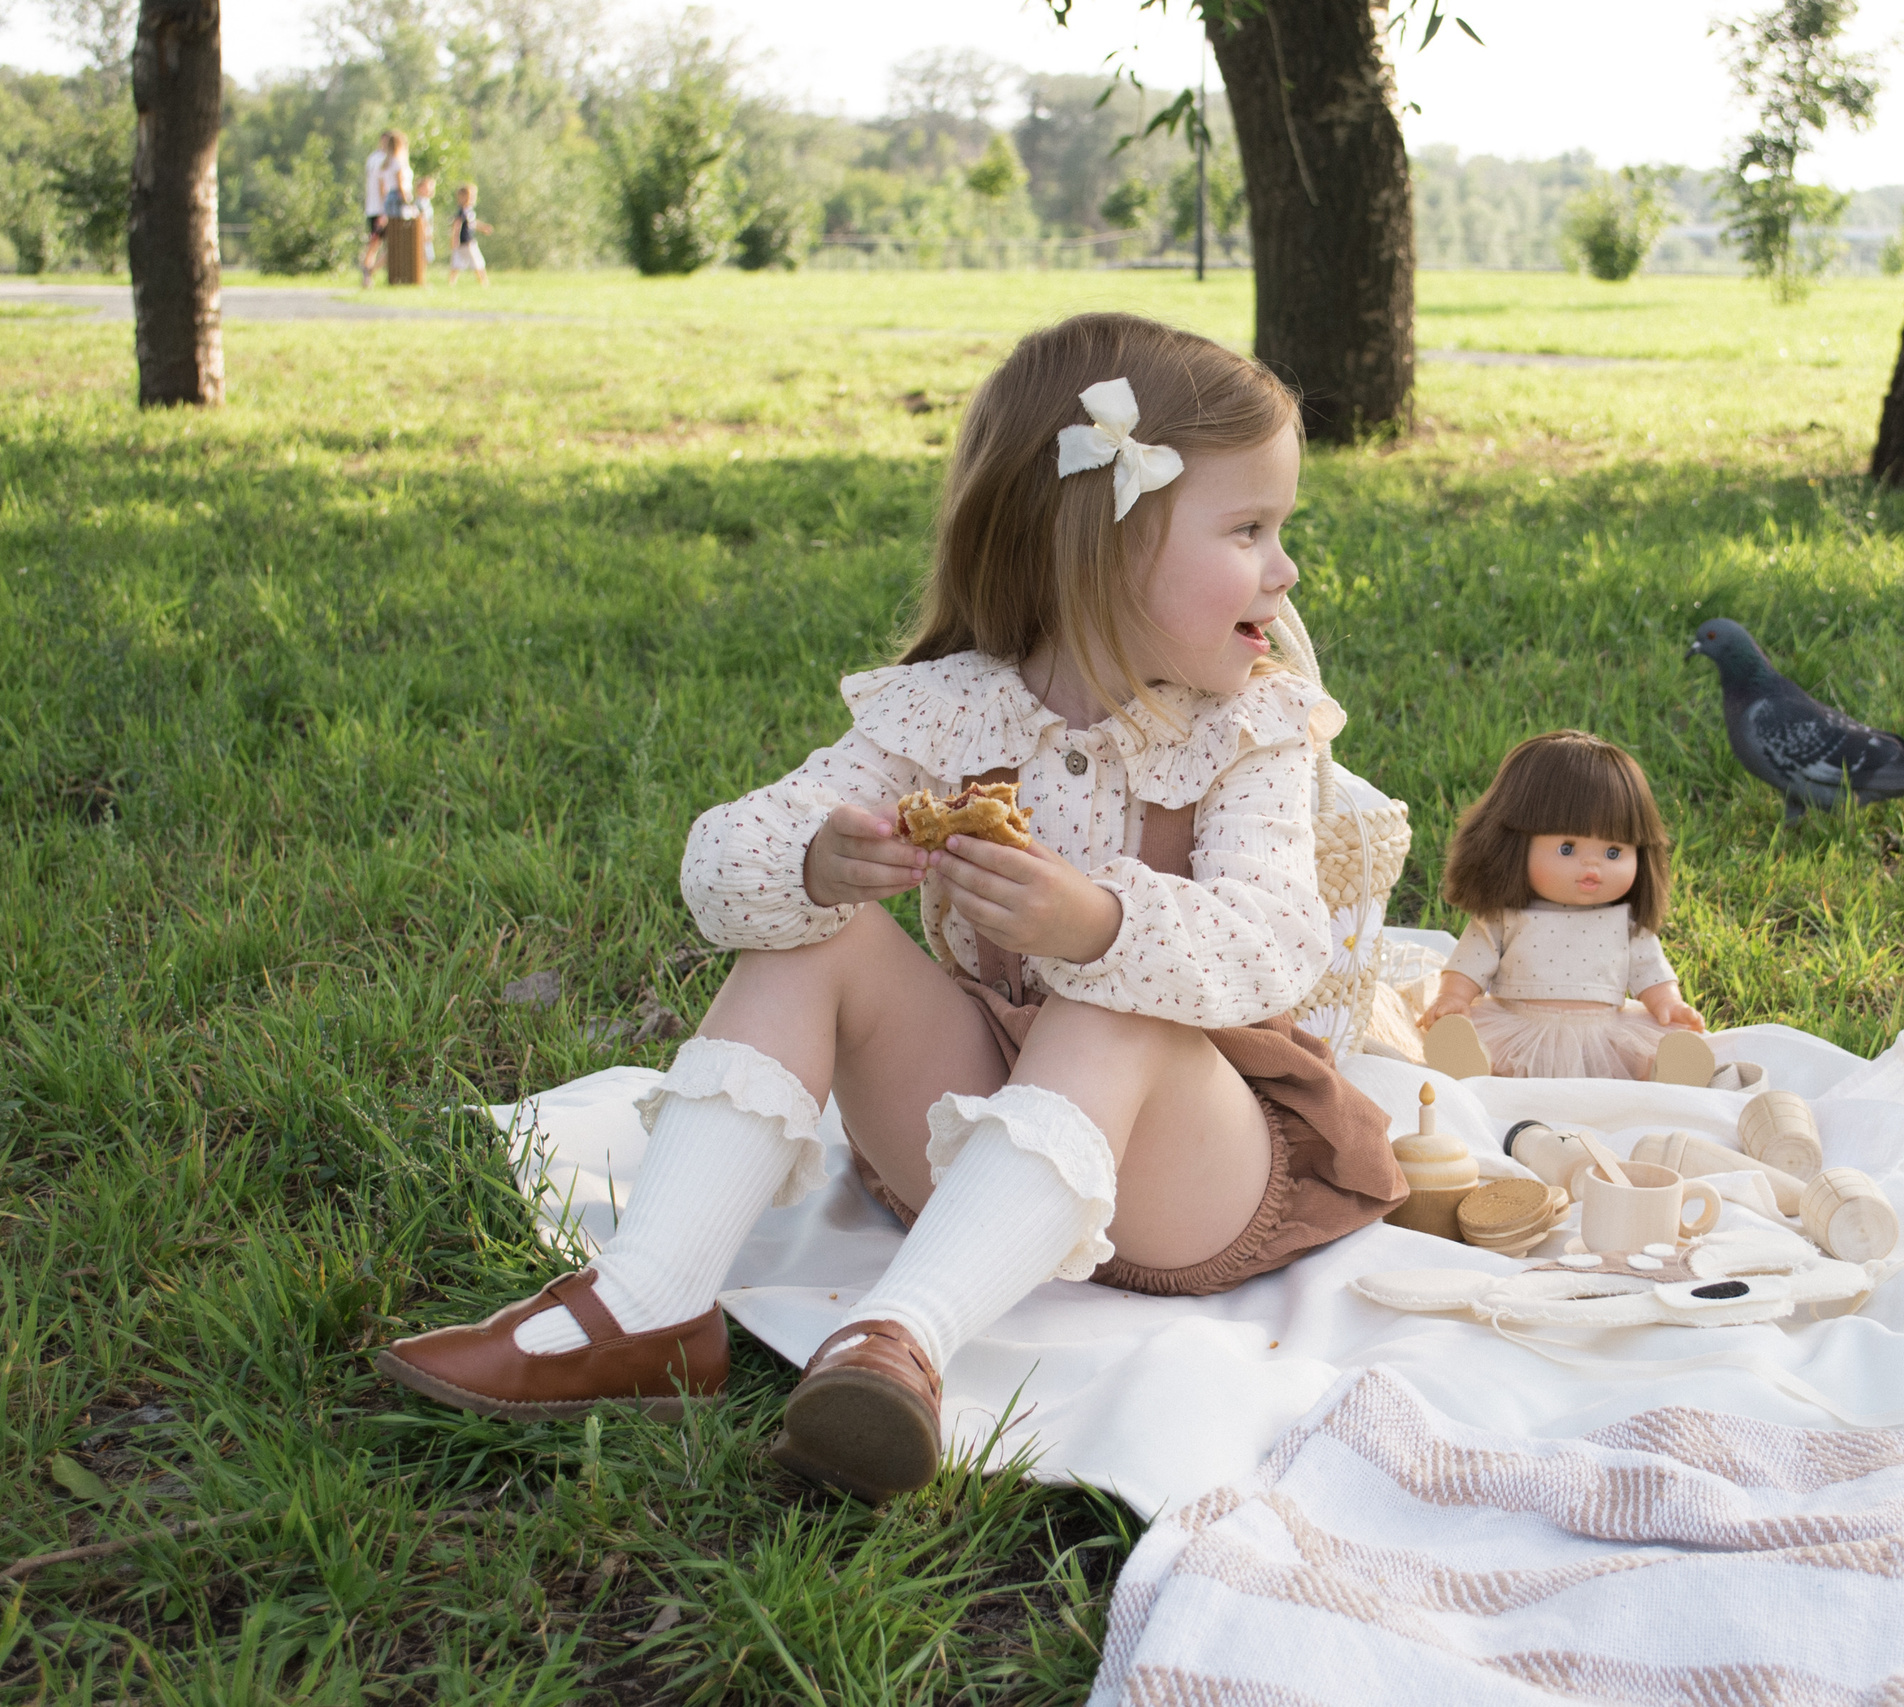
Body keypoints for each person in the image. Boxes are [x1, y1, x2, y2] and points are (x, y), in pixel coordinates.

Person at [374, 313, 1404, 1502]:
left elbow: (1277, 945)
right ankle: (651, 1305)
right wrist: (815, 864)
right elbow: (717, 866)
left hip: (1186, 1176)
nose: (1283, 571)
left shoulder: (1250, 730)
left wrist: (1097, 926)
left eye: (1279, 530)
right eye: (1248, 530)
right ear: (1103, 542)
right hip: (971, 1140)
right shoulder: (951, 710)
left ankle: (897, 1342)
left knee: (1107, 1006)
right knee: (809, 940)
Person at [1416, 731, 1714, 1081]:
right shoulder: (1506, 917)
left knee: (1639, 1054)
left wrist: (1669, 1004)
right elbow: (1471, 961)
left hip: (1602, 1033)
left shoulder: (1625, 923)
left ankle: (1666, 1069)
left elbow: (1651, 971)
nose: (1592, 866)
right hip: (1517, 1026)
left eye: (1613, 852)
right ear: (1514, 845)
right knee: (1487, 1049)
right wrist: (1454, 997)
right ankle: (1470, 1061)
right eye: (1567, 849)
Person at [359, 129, 394, 287]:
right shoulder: (380, 159)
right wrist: (383, 210)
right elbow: (382, 186)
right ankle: (368, 273)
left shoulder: (374, 158)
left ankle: (369, 273)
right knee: (376, 244)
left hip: (376, 208)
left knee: (378, 244)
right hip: (379, 209)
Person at [448, 183, 494, 285]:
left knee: (463, 262)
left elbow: (472, 223)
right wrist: (454, 238)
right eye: (470, 196)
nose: (472, 199)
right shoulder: (461, 212)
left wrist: (483, 228)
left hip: (468, 241)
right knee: (475, 262)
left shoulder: (469, 211)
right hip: (465, 242)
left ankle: (483, 281)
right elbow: (457, 225)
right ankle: (483, 282)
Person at [412, 176, 437, 269]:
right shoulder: (419, 203)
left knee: (427, 257)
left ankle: (422, 275)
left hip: (426, 232)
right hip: (422, 233)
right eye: (427, 187)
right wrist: (424, 233)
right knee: (423, 256)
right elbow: (421, 219)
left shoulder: (426, 202)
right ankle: (419, 275)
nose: (430, 190)